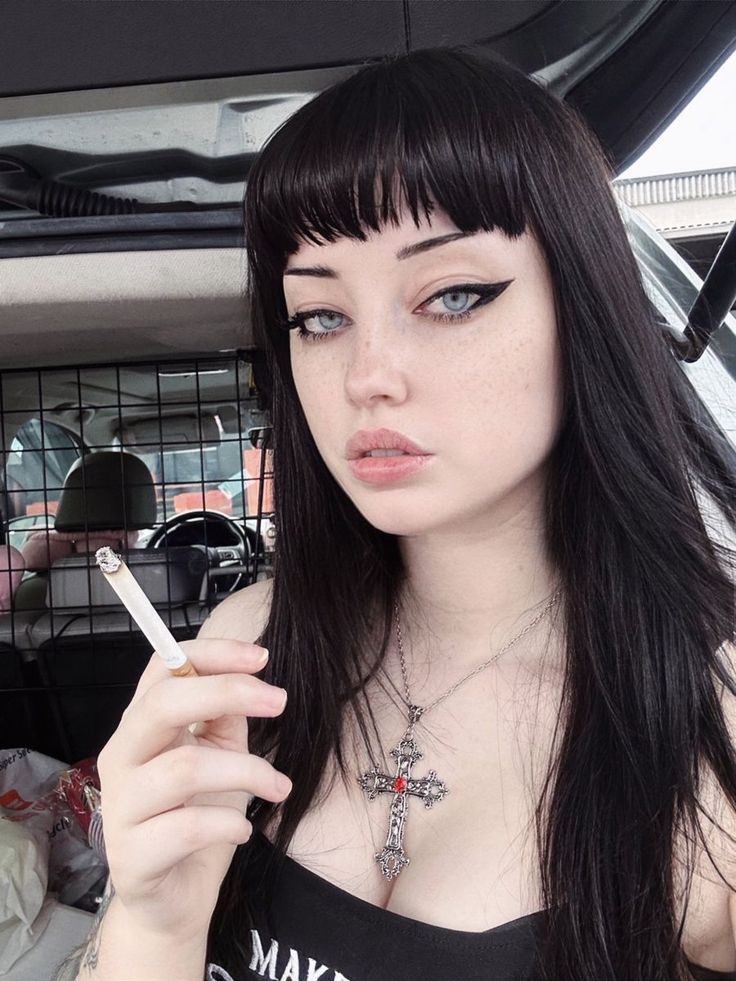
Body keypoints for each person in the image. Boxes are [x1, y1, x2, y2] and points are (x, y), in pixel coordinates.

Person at [58, 45, 736, 981]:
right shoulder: (250, 644)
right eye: (319, 317)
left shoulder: (708, 718)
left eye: (453, 296)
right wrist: (155, 922)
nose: (367, 376)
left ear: (583, 306)